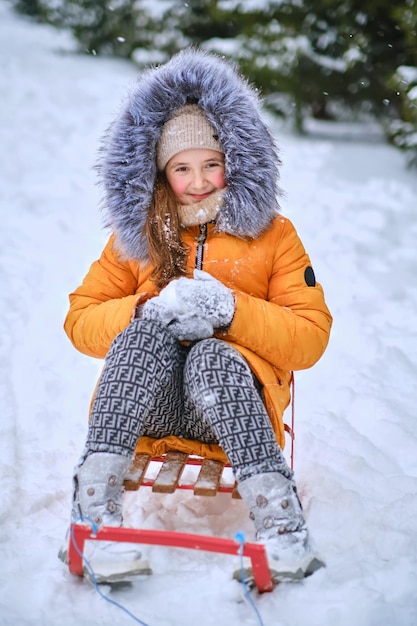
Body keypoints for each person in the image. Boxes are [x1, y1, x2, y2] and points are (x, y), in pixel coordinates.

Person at [61, 48, 332, 585]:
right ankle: (93, 513)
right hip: (150, 409)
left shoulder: (275, 236)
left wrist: (230, 310)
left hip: (231, 409)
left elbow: (309, 338)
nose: (200, 180)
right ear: (163, 174)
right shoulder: (137, 238)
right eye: (182, 168)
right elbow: (80, 319)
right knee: (145, 334)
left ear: (234, 160)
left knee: (210, 353)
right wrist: (145, 307)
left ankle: (281, 524)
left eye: (212, 164)